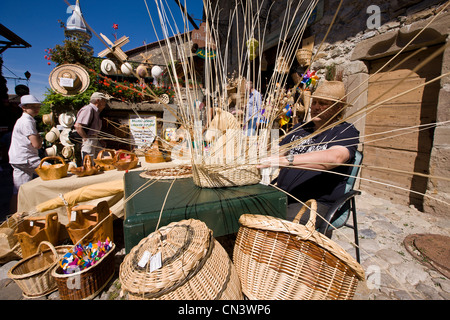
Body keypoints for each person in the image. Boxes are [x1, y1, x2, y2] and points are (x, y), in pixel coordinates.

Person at [258, 81, 360, 232]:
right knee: (244, 209)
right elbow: (275, 154)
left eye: (323, 103)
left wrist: (287, 160)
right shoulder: (300, 129)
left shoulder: (345, 131)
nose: (316, 107)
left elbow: (335, 157)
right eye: (314, 102)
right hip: (283, 194)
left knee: (279, 228)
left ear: (338, 108)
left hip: (315, 202)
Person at [8, 95, 43, 200]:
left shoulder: (22, 120)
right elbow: (36, 144)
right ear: (24, 107)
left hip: (18, 158)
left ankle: (13, 215)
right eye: (33, 107)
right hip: (27, 158)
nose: (36, 109)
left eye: (37, 106)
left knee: (19, 190)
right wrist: (40, 139)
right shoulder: (27, 121)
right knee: (54, 173)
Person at [74, 92, 109, 161]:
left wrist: (99, 139)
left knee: (104, 158)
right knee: (89, 162)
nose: (105, 102)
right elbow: (77, 126)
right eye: (104, 100)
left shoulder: (96, 111)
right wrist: (86, 138)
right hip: (89, 139)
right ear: (98, 101)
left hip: (94, 139)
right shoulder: (88, 109)